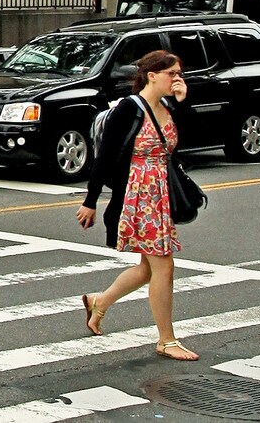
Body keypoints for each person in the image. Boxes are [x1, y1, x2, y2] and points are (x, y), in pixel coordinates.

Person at [74, 49, 199, 361]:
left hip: (160, 194)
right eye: (171, 73)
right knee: (163, 266)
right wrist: (90, 201)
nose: (177, 79)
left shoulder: (169, 106)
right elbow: (104, 156)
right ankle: (166, 340)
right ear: (152, 76)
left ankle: (99, 302)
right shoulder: (129, 109)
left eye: (179, 73)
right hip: (138, 196)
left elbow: (187, 142)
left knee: (148, 268)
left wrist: (183, 103)